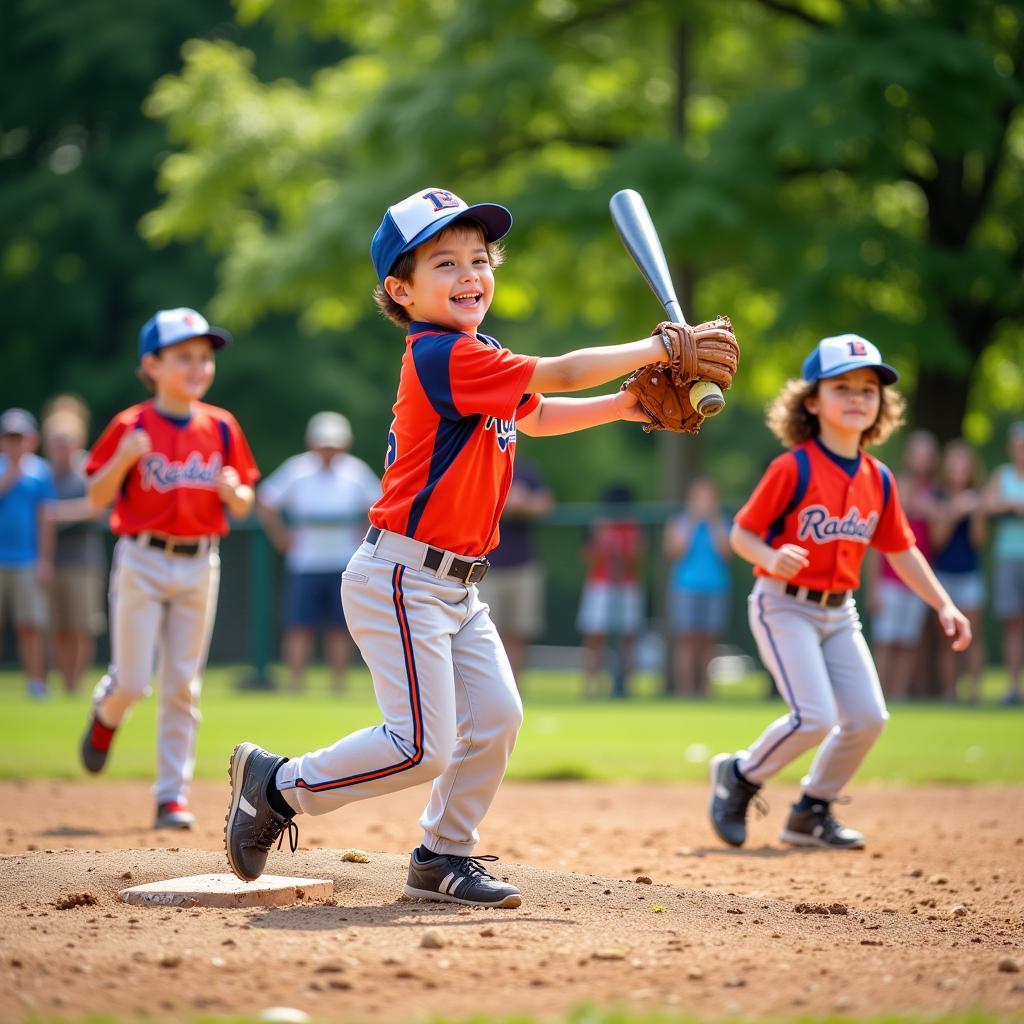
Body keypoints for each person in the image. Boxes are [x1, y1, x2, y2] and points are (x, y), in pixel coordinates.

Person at [225, 186, 706, 908]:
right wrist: (661, 346)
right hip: (401, 577)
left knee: (498, 718)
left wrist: (626, 404)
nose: (468, 274)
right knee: (421, 745)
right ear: (402, 290)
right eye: (442, 263)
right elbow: (562, 372)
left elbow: (537, 414)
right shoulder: (438, 354)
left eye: (478, 258)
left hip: (456, 587)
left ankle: (441, 855)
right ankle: (277, 785)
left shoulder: (477, 357)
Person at [709, 334, 971, 851]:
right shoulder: (794, 467)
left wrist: (944, 603)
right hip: (783, 604)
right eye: (842, 386)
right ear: (812, 401)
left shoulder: (881, 478)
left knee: (869, 718)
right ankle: (739, 775)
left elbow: (901, 549)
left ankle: (810, 812)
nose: (857, 397)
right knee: (816, 716)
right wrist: (769, 557)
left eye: (868, 389)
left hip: (840, 614)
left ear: (881, 405)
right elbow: (742, 534)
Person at [78, 307, 258, 830]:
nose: (198, 367)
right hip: (142, 557)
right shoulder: (130, 426)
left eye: (204, 358)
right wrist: (123, 460)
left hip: (200, 560)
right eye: (184, 357)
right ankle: (107, 714)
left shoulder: (221, 426)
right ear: (151, 365)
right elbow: (95, 495)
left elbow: (244, 503)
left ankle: (170, 796)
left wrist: (236, 492)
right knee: (133, 681)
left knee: (183, 684)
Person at [257, 412, 382, 693]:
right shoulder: (297, 469)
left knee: (341, 626)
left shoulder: (355, 471)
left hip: (344, 561)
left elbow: (379, 505)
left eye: (333, 444)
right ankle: (296, 682)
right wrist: (280, 535)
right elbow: (266, 500)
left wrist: (365, 537)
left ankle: (338, 683)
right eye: (324, 444)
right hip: (306, 561)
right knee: (300, 624)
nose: (328, 450)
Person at [38, 397, 108, 695]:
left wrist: (57, 514)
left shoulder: (88, 468)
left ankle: (74, 685)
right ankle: (63, 681)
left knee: (82, 627)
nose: (60, 446)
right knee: (57, 627)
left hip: (84, 560)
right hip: (53, 560)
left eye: (65, 440)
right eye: (55, 441)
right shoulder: (41, 474)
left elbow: (98, 507)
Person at [867, 429, 939, 701]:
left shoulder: (934, 493)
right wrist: (874, 587)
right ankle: (878, 695)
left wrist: (936, 513)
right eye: (918, 453)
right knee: (886, 641)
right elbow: (876, 543)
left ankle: (898, 695)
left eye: (927, 455)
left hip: (916, 580)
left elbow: (939, 540)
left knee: (908, 642)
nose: (922, 460)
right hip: (889, 579)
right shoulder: (893, 485)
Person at [476, 456, 553, 687]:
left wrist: (522, 504)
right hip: (486, 568)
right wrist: (504, 502)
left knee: (519, 632)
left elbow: (545, 504)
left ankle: (513, 688)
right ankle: (488, 689)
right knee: (485, 634)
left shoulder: (525, 471)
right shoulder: (481, 468)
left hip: (523, 566)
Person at [0, 408, 56, 699]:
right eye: (9, 438)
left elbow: (45, 519)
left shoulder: (40, 472)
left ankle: (36, 682)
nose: (14, 444)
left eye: (19, 438)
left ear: (30, 440)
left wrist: (44, 559)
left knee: (30, 624)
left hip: (27, 559)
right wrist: (11, 473)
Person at [663, 476, 731, 698]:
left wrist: (712, 522)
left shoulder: (722, 523)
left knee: (709, 640)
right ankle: (686, 691)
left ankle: (705, 690)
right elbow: (674, 551)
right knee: (687, 640)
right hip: (686, 587)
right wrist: (693, 522)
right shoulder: (680, 522)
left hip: (715, 586)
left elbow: (726, 552)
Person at [930, 440, 987, 703]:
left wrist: (975, 512)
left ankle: (975, 693)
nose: (958, 470)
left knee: (973, 635)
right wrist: (955, 511)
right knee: (947, 639)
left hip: (969, 574)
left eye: (963, 465)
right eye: (954, 464)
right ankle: (949, 693)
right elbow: (937, 540)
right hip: (943, 575)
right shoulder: (938, 498)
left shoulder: (978, 498)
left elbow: (978, 540)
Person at [576, 483, 645, 698]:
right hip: (600, 584)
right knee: (594, 636)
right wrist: (601, 536)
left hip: (627, 584)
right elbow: (588, 557)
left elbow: (636, 558)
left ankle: (625, 685)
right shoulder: (598, 524)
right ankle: (590, 686)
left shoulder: (632, 526)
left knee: (628, 636)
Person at [985, 421, 1024, 706]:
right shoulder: (1003, 475)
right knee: (1013, 623)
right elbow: (988, 505)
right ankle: (1013, 686)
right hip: (1008, 557)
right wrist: (1011, 505)